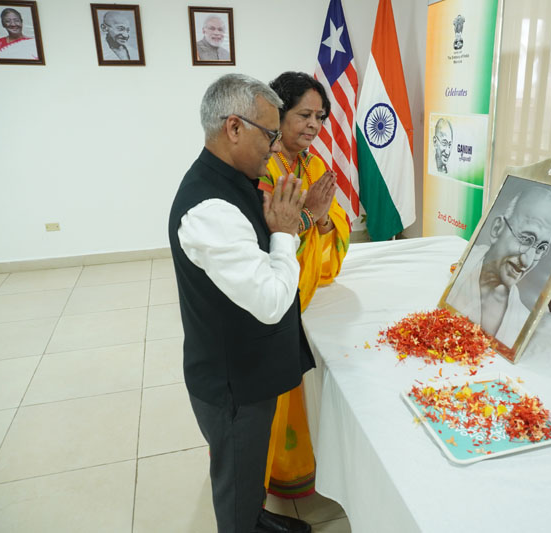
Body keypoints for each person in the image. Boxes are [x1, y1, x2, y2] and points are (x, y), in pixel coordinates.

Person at [168, 73, 314, 533]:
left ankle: (254, 516)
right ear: (234, 127)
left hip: (247, 371)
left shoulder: (232, 180)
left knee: (249, 471)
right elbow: (270, 301)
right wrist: (285, 234)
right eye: (270, 134)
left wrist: (291, 223)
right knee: (236, 476)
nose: (276, 146)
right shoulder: (210, 209)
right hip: (232, 384)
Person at [258, 71, 350, 499]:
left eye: (320, 116)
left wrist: (324, 219)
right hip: (273, 299)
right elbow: (266, 244)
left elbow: (334, 228)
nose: (314, 125)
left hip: (307, 291)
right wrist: (311, 216)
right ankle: (265, 481)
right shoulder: (264, 169)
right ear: (279, 114)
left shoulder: (313, 166)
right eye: (304, 115)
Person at [446, 187, 551, 347]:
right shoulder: (463, 271)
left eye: (541, 248)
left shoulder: (520, 321)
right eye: (526, 239)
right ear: (497, 228)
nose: (527, 262)